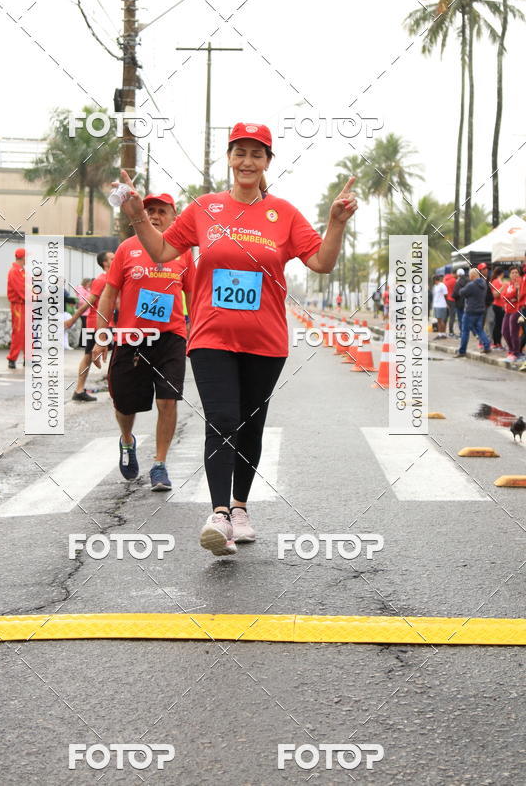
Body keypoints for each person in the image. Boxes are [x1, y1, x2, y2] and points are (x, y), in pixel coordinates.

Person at [118, 121, 358, 556]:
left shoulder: (283, 214)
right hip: (210, 337)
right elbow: (162, 252)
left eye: (257, 153)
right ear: (229, 158)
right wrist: (137, 215)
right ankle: (219, 515)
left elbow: (321, 261)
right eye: (240, 152)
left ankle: (241, 508)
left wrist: (334, 223)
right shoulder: (203, 209)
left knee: (250, 424)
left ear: (267, 161)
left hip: (266, 340)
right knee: (222, 421)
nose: (247, 161)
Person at [92, 194, 195, 491]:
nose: (154, 216)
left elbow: (196, 294)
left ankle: (160, 465)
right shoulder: (127, 249)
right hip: (131, 338)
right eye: (149, 210)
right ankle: (127, 441)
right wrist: (102, 334)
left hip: (171, 337)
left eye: (162, 211)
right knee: (125, 404)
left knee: (168, 399)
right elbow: (109, 294)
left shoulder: (184, 253)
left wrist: (198, 333)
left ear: (174, 217)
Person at [66, 251, 115, 401]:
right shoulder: (102, 280)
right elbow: (88, 301)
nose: (116, 260)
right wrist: (73, 319)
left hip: (109, 324)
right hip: (97, 325)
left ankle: (113, 386)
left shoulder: (113, 277)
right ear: (105, 263)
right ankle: (79, 390)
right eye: (112, 259)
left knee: (117, 354)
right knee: (88, 356)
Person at [455, 268, 492, 357]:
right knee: (479, 329)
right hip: (480, 310)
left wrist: (461, 285)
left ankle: (462, 351)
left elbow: (461, 292)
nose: (469, 277)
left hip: (470, 311)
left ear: (473, 275)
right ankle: (487, 346)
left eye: (470, 275)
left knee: (465, 331)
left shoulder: (471, 285)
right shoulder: (484, 284)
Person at [6, 247, 26, 369]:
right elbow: (21, 290)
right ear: (23, 257)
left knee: (27, 333)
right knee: (18, 332)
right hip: (18, 305)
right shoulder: (15, 271)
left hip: (25, 304)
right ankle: (12, 358)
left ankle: (27, 358)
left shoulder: (22, 271)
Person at [500, 267, 522, 362]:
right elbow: (503, 296)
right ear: (509, 275)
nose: (514, 274)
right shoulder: (508, 284)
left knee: (513, 332)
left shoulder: (520, 283)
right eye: (512, 273)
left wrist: (513, 296)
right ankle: (511, 349)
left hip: (516, 310)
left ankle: (516, 352)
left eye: (516, 272)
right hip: (508, 311)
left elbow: (519, 297)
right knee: (504, 331)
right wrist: (511, 296)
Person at [489, 266, 506, 350]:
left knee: (499, 325)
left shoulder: (498, 281)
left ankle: (497, 342)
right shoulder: (496, 281)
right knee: (498, 325)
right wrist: (503, 287)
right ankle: (496, 343)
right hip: (497, 305)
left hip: (501, 306)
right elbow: (496, 294)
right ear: (501, 273)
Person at [452, 268, 468, 333]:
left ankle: (462, 332)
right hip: (467, 303)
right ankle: (466, 331)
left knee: (460, 319)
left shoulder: (458, 282)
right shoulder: (468, 281)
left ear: (458, 274)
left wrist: (453, 296)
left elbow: (455, 293)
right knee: (466, 319)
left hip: (459, 304)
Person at [443, 269, 457, 336]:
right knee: (452, 317)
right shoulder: (454, 280)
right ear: (454, 273)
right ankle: (451, 332)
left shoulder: (445, 278)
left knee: (445, 316)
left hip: (445, 299)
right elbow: (456, 291)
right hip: (452, 300)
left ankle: (443, 331)